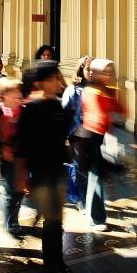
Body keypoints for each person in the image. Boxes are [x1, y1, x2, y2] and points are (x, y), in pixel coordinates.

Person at [16, 61, 71, 273]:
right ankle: (54, 260)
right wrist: (21, 176)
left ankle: (53, 258)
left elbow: (62, 136)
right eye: (53, 78)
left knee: (54, 216)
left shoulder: (57, 105)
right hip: (41, 171)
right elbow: (22, 146)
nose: (57, 81)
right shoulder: (31, 109)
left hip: (57, 168)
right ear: (40, 82)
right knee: (54, 218)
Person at [80, 58, 125, 232]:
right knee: (96, 178)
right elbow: (99, 115)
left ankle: (96, 214)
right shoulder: (91, 90)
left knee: (99, 177)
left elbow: (121, 111)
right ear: (96, 73)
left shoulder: (108, 90)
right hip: (94, 138)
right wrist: (111, 114)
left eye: (110, 72)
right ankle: (95, 218)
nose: (108, 75)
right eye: (105, 72)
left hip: (106, 137)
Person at [61, 56, 93, 210]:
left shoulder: (96, 89)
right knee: (79, 169)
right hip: (78, 135)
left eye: (94, 69)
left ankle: (90, 198)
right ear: (81, 70)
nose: (92, 72)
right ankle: (80, 199)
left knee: (91, 169)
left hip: (95, 135)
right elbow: (65, 113)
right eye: (88, 69)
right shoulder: (73, 90)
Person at [0, 77, 24, 237]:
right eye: (14, 92)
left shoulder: (22, 110)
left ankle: (13, 219)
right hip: (6, 158)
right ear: (4, 95)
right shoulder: (0, 111)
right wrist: (4, 148)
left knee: (19, 191)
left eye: (19, 92)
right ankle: (10, 222)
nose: (18, 95)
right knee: (10, 191)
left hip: (20, 156)